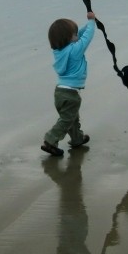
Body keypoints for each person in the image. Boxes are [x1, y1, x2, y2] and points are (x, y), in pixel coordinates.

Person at [42, 11, 96, 156]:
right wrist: (92, 22)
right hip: (70, 94)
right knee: (66, 120)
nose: (77, 36)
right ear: (68, 38)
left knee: (72, 117)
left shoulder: (60, 51)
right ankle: (50, 140)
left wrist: (87, 25)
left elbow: (79, 34)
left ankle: (77, 139)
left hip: (60, 92)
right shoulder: (74, 51)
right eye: (74, 34)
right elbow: (86, 38)